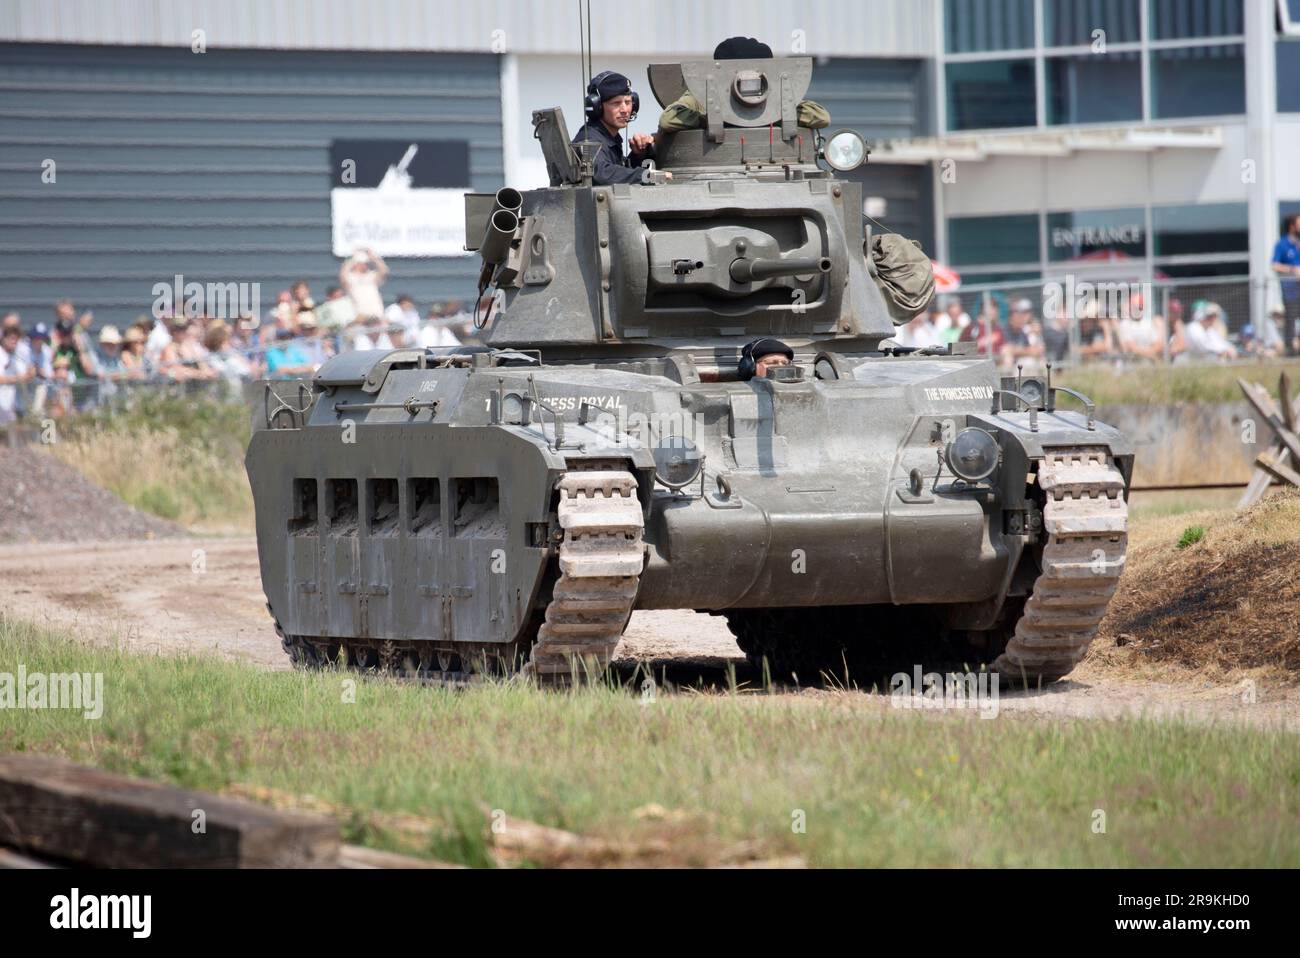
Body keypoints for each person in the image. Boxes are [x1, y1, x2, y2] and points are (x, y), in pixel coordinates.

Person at [658, 37, 830, 134]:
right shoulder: (705, 93)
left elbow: (821, 117)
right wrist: (716, 117)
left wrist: (774, 114)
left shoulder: (776, 96)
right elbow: (669, 119)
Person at [572, 71, 669, 186]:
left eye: (627, 102)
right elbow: (602, 173)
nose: (624, 110)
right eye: (616, 103)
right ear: (597, 107)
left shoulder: (609, 138)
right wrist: (647, 175)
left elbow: (619, 172)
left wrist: (638, 154)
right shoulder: (589, 140)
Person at [1271, 213, 1300, 354]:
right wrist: (1292, 270)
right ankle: (1290, 349)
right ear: (1292, 226)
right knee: (1291, 318)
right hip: (1291, 290)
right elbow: (1274, 265)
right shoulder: (1282, 244)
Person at [339, 247, 389, 321]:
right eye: (361, 264)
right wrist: (352, 259)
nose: (364, 266)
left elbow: (384, 271)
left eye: (365, 264)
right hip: (359, 314)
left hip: (376, 313)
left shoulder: (371, 276)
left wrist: (374, 258)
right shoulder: (350, 278)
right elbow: (342, 275)